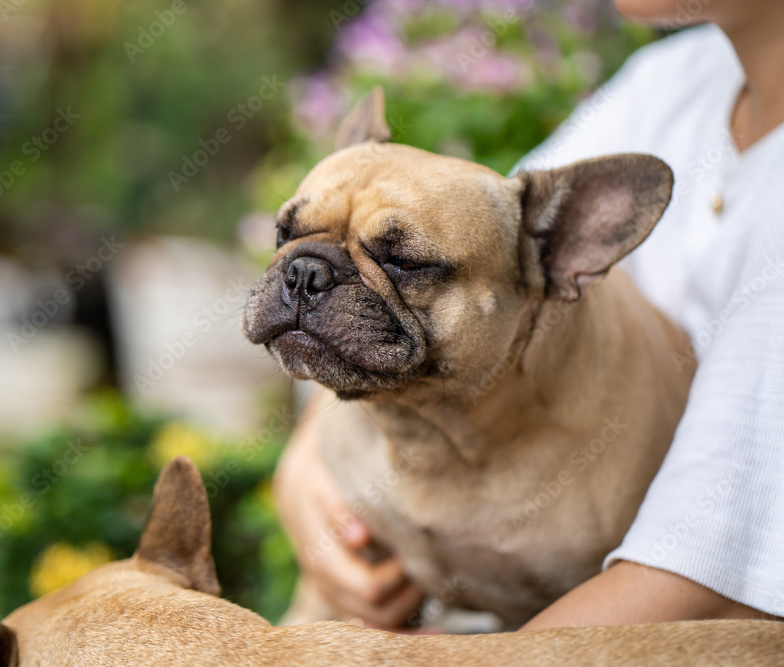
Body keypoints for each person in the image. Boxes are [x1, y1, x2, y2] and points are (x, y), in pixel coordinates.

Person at [273, 0, 784, 631]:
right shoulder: (673, 81)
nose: (308, 282)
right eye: (293, 241)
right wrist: (303, 475)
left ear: (565, 249)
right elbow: (481, 209)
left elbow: (701, 586)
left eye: (402, 264)